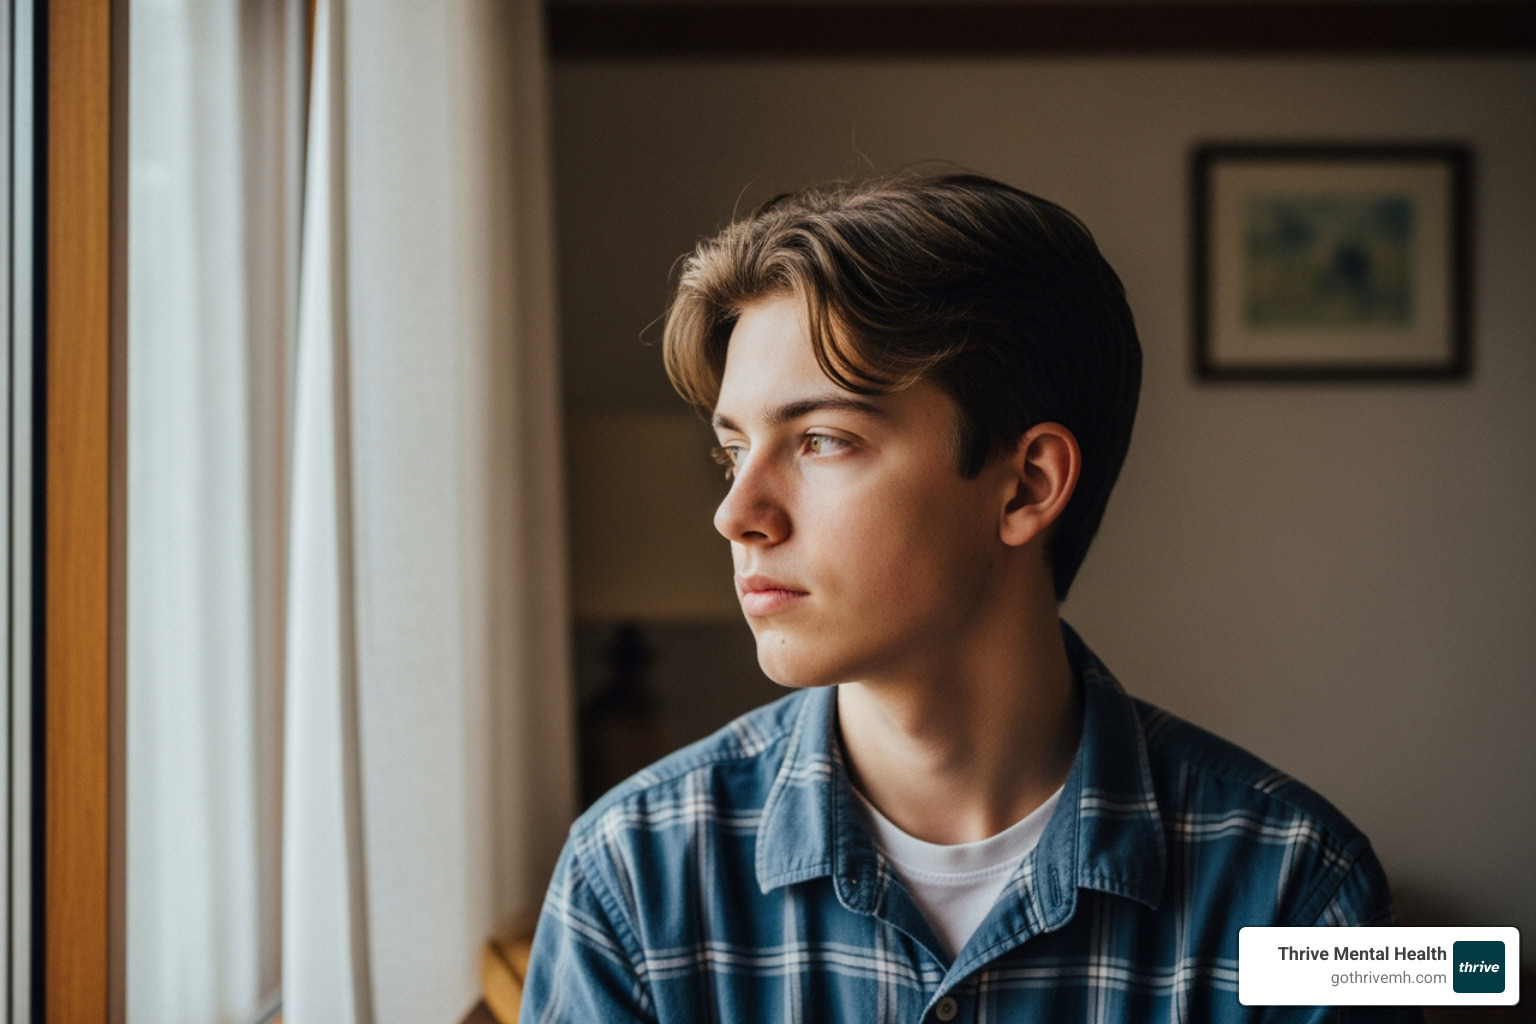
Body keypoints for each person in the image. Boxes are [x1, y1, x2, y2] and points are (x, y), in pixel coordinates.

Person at [520, 174, 1415, 1022]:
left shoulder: (1300, 890)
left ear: (1027, 485)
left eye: (822, 440)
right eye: (733, 451)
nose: (735, 514)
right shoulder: (630, 880)